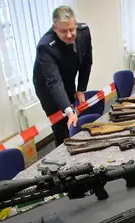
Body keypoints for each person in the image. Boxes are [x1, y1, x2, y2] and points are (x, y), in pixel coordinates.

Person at [33, 5, 93, 144]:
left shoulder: (84, 32)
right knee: (62, 127)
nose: (69, 35)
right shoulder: (45, 47)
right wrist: (68, 111)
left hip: (68, 77)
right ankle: (62, 156)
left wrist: (80, 89)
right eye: (63, 31)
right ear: (55, 29)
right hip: (48, 88)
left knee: (74, 121)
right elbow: (54, 82)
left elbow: (86, 61)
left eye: (72, 29)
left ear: (76, 25)